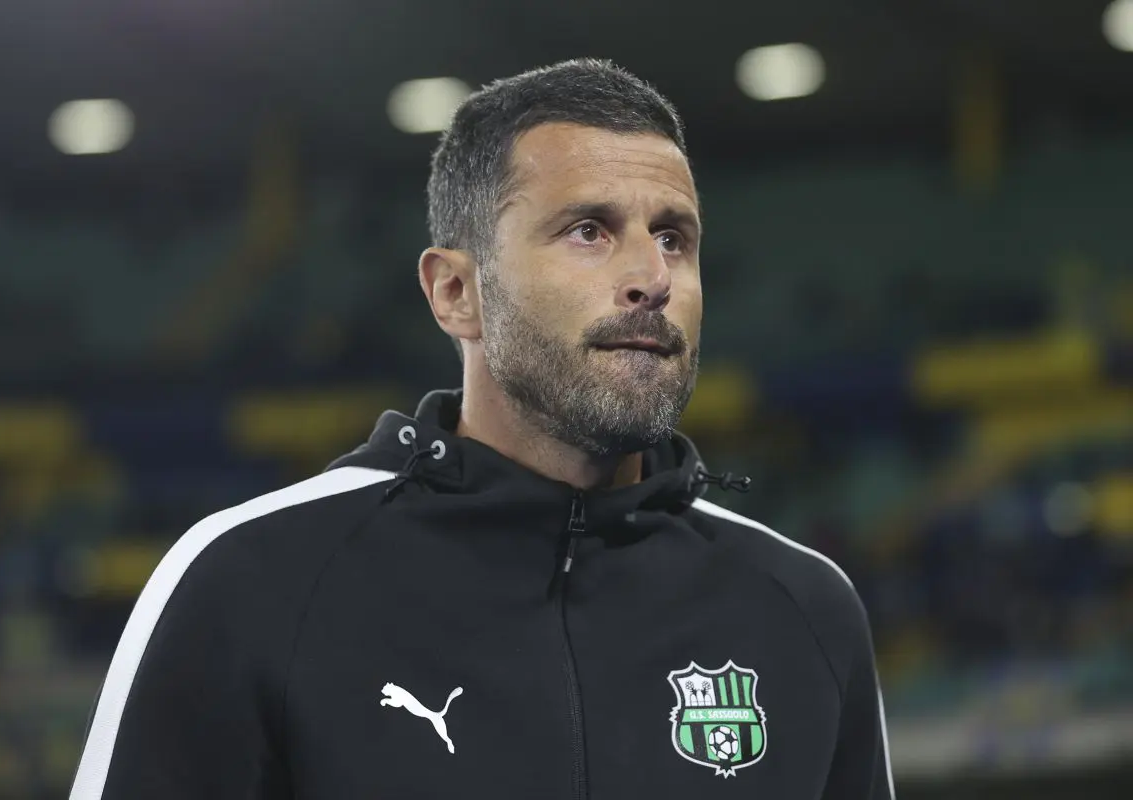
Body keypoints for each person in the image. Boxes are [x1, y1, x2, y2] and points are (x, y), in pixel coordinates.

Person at [69, 58, 894, 799]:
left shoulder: (803, 608)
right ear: (455, 293)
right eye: (588, 231)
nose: (652, 277)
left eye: (673, 238)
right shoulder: (249, 582)